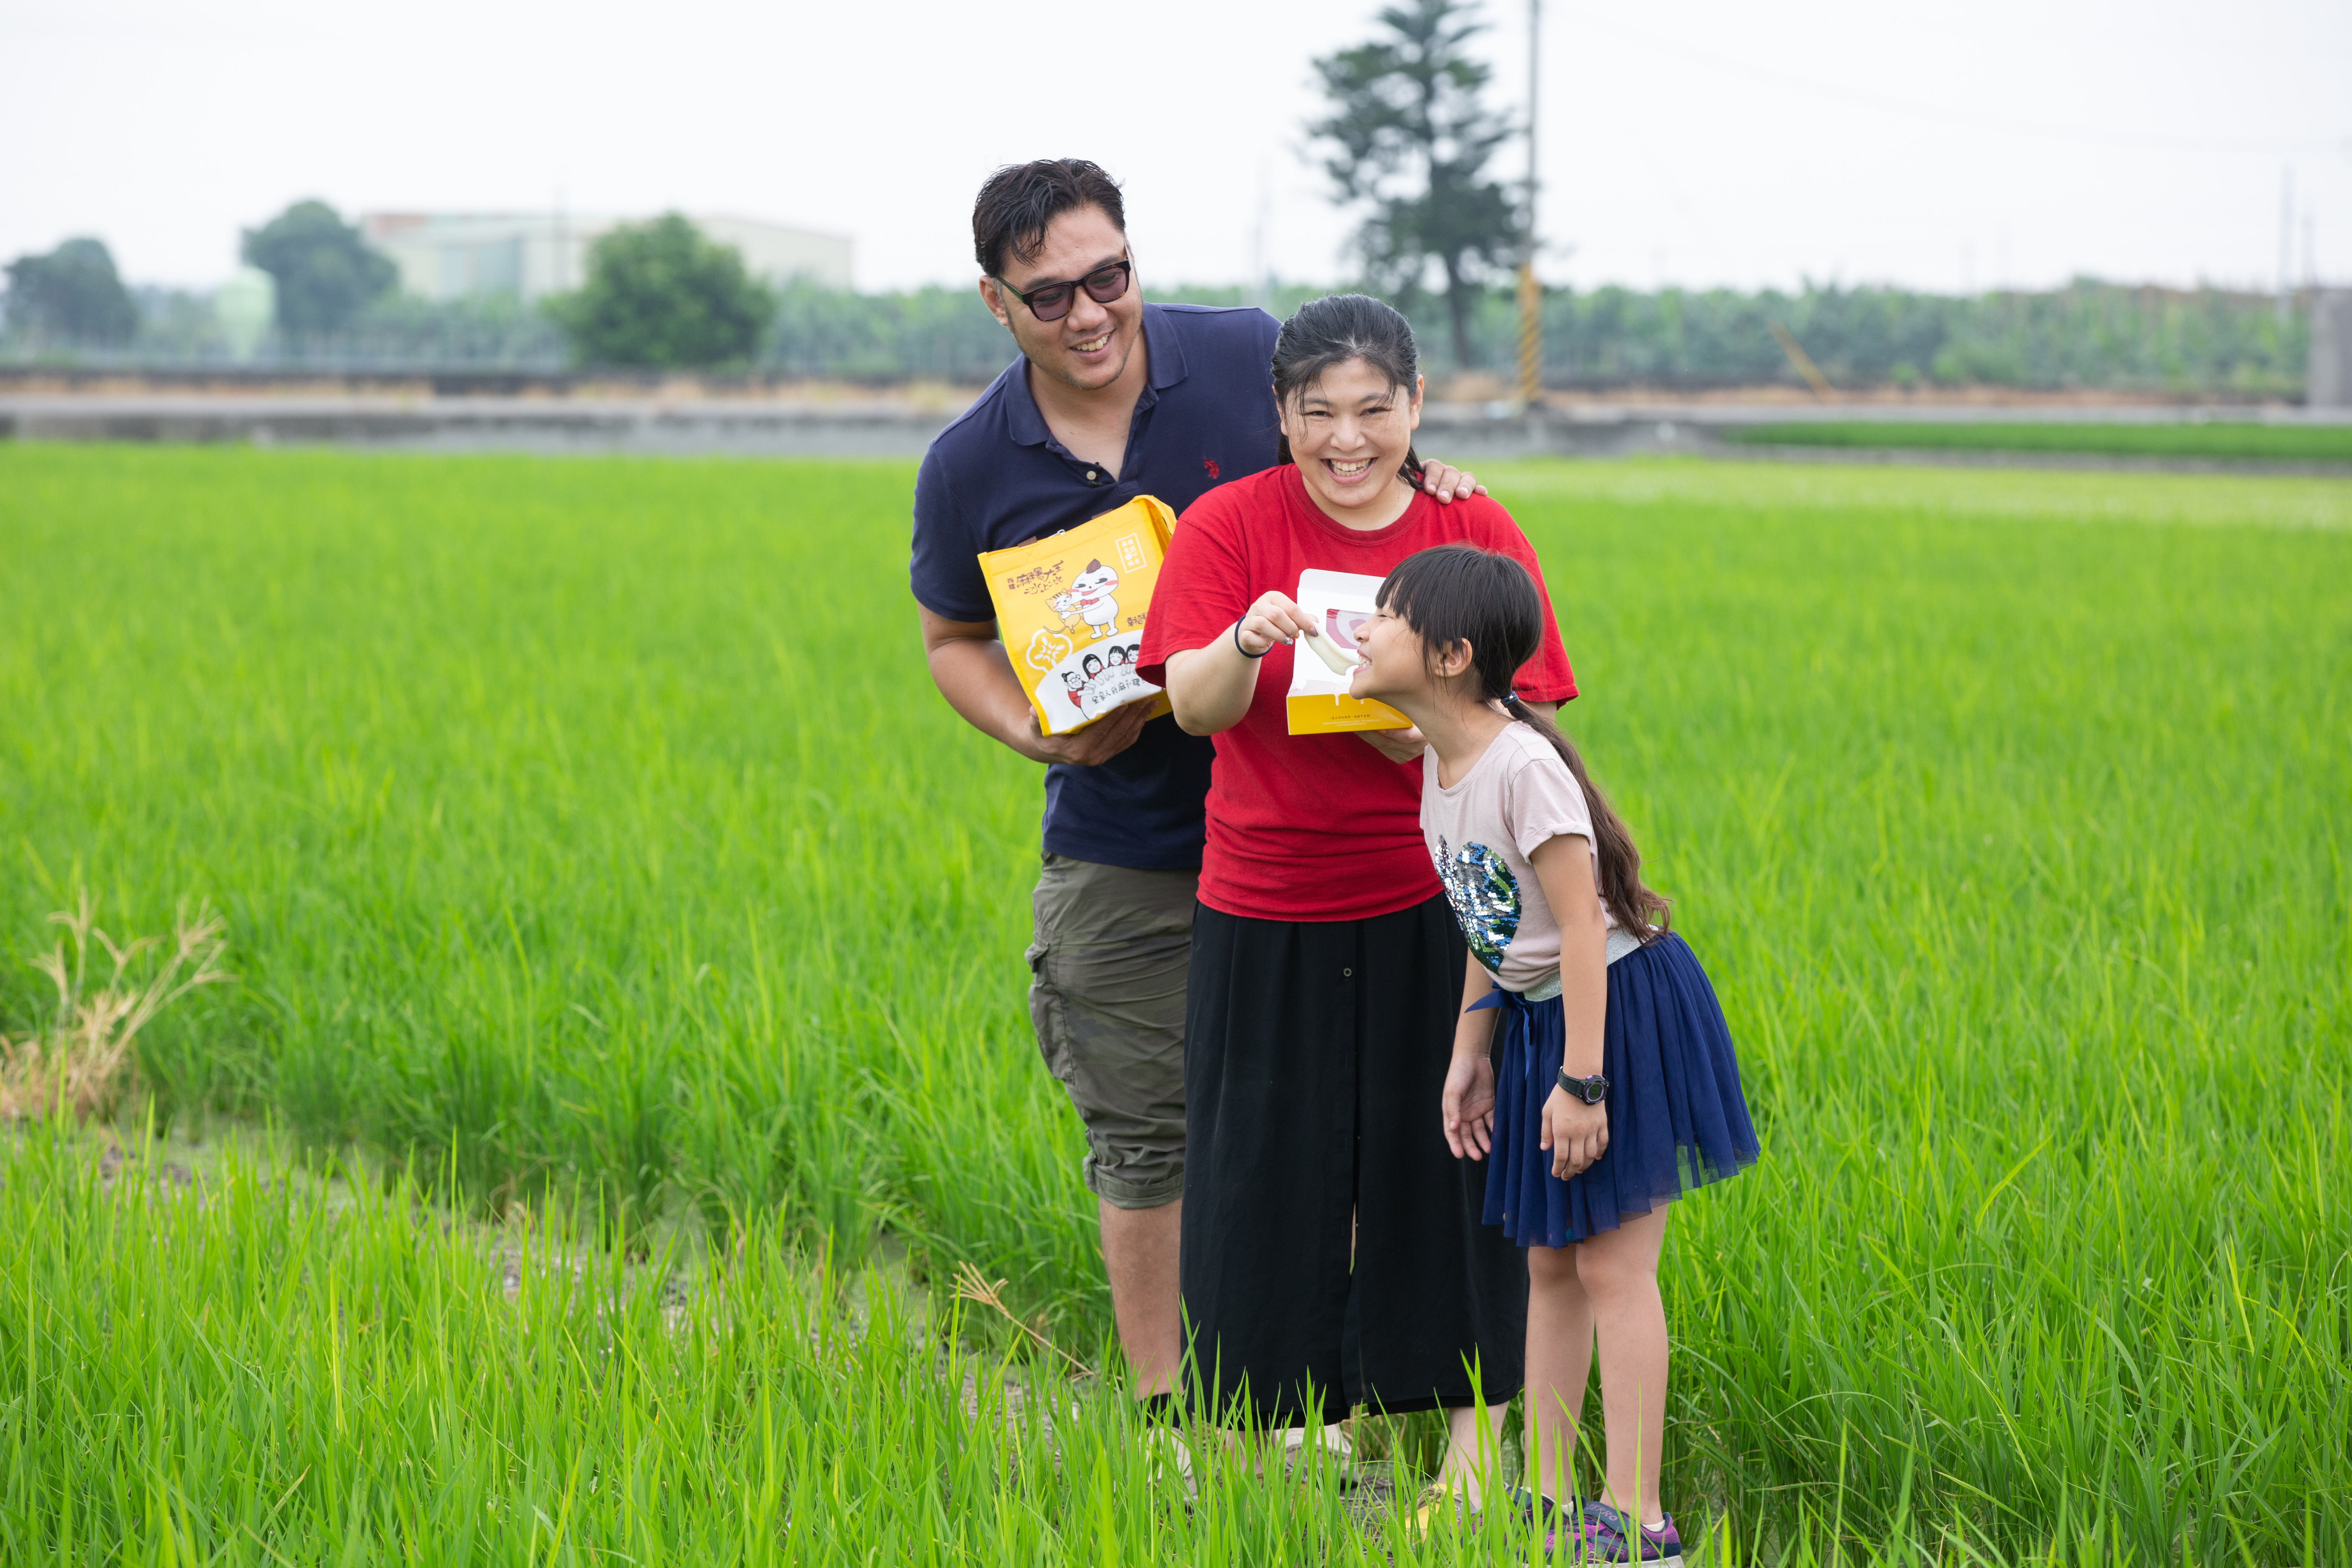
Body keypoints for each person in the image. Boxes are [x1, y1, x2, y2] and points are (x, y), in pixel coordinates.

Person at [909, 160, 1485, 1408]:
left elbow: (1353, 451)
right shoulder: (969, 463)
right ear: (997, 303)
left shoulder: (1237, 356)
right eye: (1048, 294)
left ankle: (1322, 1403)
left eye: (1107, 276)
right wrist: (1032, 732)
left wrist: (1427, 473)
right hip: (1124, 842)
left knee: (1330, 1128)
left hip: (1320, 831)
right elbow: (951, 638)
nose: (1088, 313)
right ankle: (1176, 1415)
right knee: (1148, 1139)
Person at [1136, 294, 1574, 1509]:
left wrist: (1429, 733)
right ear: (1279, 414)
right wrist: (1246, 638)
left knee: (1454, 1165)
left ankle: (1474, 1460)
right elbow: (1194, 708)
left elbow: (1533, 716)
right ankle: (1257, 1437)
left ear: (1417, 407)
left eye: (1375, 410)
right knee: (1257, 1172)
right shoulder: (1231, 523)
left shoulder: (1470, 523)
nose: (1347, 439)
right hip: (1264, 896)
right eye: (1317, 412)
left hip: (1446, 900)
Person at [1348, 543, 1760, 1559]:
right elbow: (1490, 919)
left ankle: (1639, 1520)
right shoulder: (1442, 760)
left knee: (1614, 1266)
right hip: (1543, 1017)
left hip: (1614, 1011)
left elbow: (1581, 925)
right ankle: (1542, 1498)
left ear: (1449, 656)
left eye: (1385, 616)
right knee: (1549, 1267)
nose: (1362, 628)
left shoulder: (1521, 766)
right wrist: (1471, 1051)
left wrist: (1584, 1082)